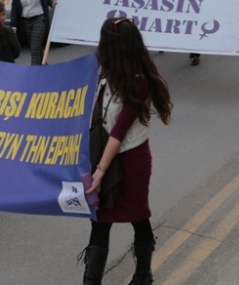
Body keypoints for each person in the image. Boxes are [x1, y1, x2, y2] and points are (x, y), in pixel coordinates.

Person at [81, 17, 173, 285]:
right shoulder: (101, 71)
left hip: (130, 159)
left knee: (137, 215)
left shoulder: (138, 82)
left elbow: (118, 133)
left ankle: (143, 275)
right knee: (99, 219)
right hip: (100, 153)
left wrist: (100, 172)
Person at [9, 0, 55, 66]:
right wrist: (13, 25)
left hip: (39, 19)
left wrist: (52, 3)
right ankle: (46, 69)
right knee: (36, 48)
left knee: (34, 48)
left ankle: (33, 74)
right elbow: (15, 7)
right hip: (25, 21)